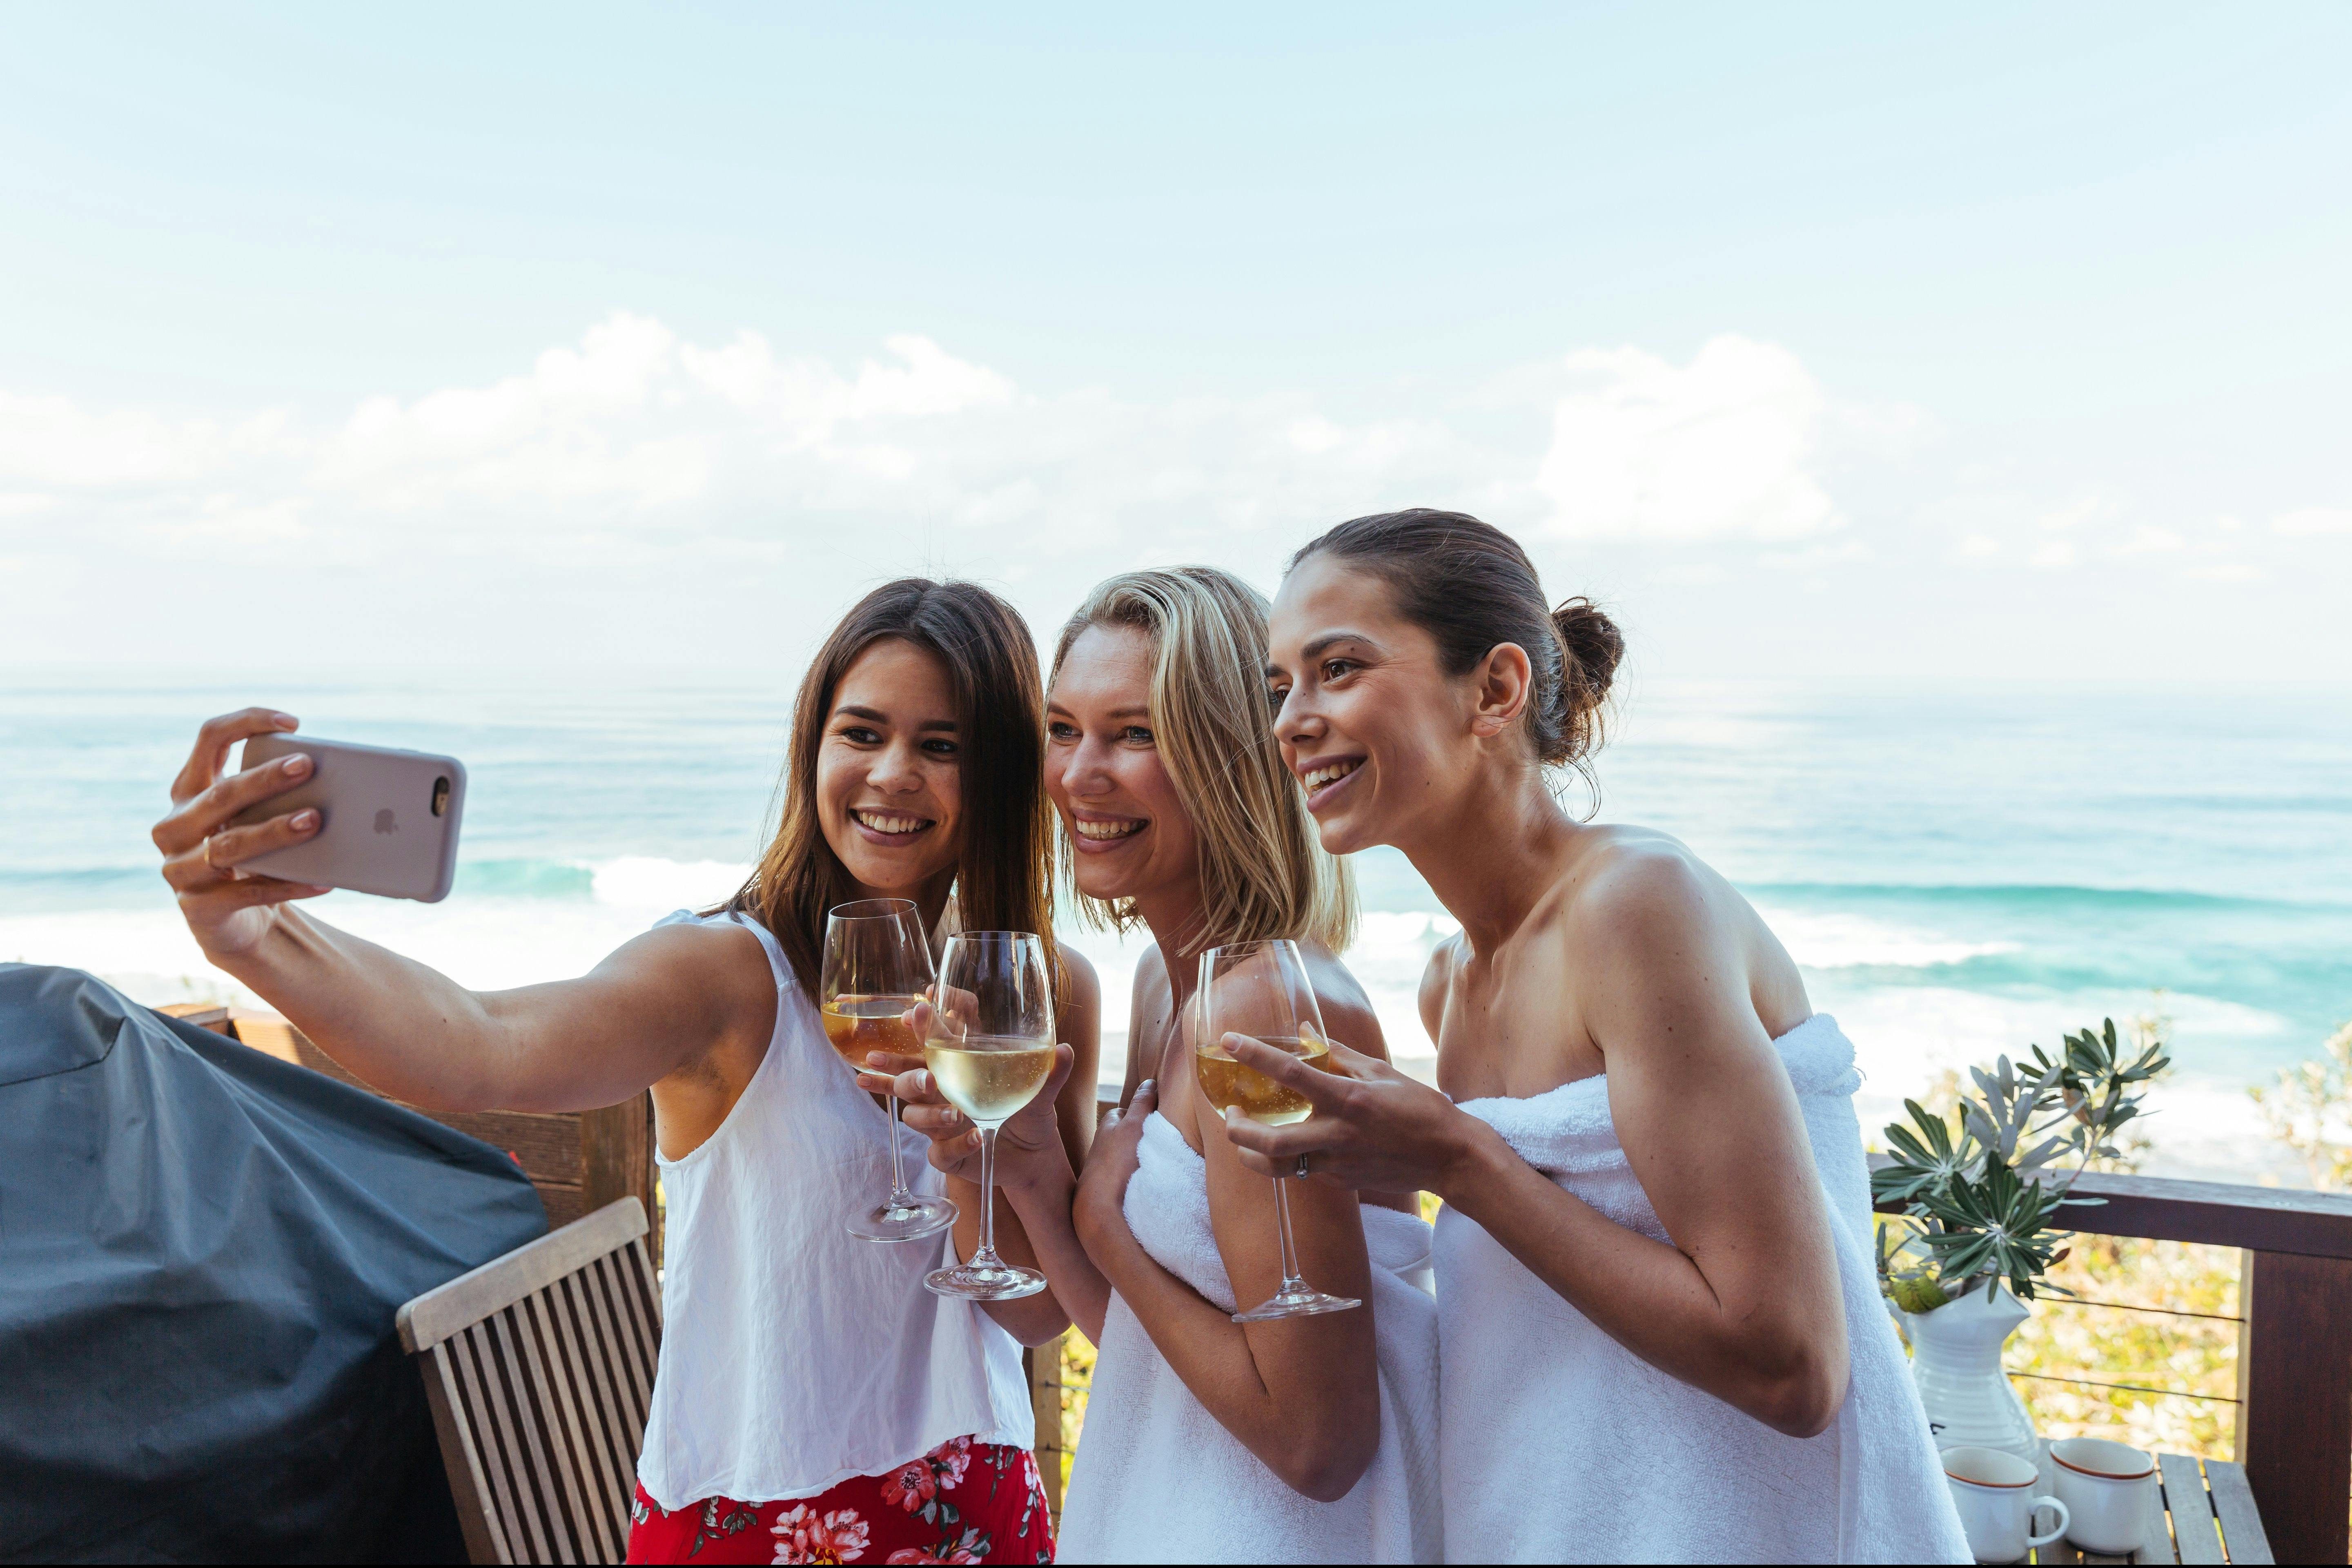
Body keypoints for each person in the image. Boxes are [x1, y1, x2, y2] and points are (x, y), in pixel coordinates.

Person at [149, 578, 1098, 1568]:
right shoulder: (725, 973)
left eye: (942, 747)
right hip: (756, 1515)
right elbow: (480, 1042)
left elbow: (1034, 1311)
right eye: (861, 733)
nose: (893, 773)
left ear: (1000, 773)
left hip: (976, 1502)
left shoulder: (1044, 991)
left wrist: (961, 1159)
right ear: (813, 748)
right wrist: (256, 939)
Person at [1216, 510, 1970, 1564]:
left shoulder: (1635, 905)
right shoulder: (1450, 985)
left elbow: (1793, 1367)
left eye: (1337, 668)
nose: (1292, 719)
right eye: (1278, 686)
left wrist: (1452, 1157)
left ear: (1495, 689)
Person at [870, 568, 1441, 1563]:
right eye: (1063, 730)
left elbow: (1320, 1445)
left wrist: (1105, 1226)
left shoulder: (1260, 1006)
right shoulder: (1161, 984)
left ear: (1229, 757)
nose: (1080, 774)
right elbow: (1129, 1339)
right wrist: (1033, 1168)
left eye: (1135, 733)